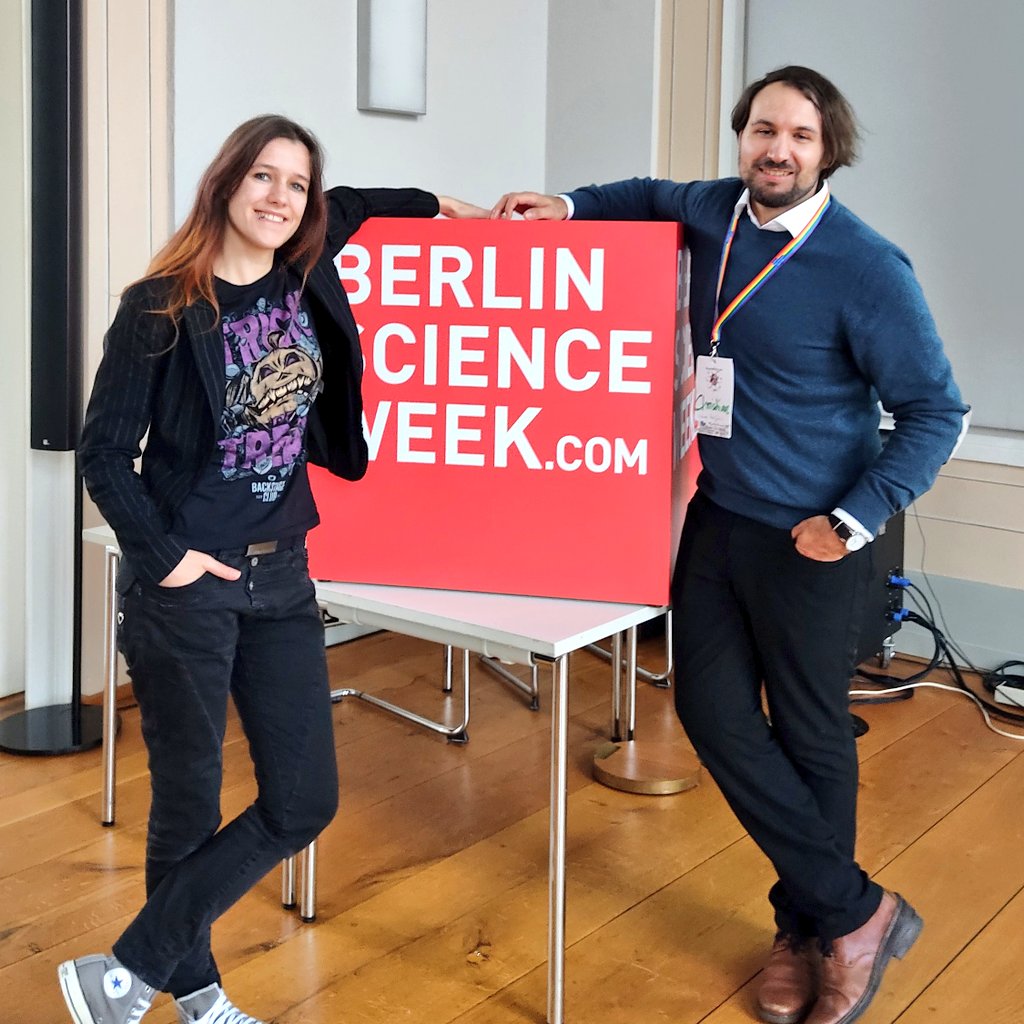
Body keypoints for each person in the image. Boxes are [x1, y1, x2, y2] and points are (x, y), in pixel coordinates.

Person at [491, 66, 968, 1024]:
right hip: (720, 518)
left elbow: (934, 410)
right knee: (711, 714)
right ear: (742, 137)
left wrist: (855, 518)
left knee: (809, 732)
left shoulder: (868, 267)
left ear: (829, 149)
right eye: (760, 130)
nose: (775, 149)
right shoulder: (714, 211)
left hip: (813, 536)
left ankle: (810, 929)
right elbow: (641, 197)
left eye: (797, 134)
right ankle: (856, 911)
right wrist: (569, 205)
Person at [60, 114, 485, 1024]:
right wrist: (166, 559)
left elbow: (365, 205)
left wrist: (452, 209)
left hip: (285, 577)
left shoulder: (307, 268)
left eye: (296, 185)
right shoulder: (160, 307)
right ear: (225, 184)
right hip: (190, 590)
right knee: (189, 799)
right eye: (263, 177)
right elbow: (102, 455)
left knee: (303, 801)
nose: (280, 198)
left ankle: (129, 973)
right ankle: (198, 994)